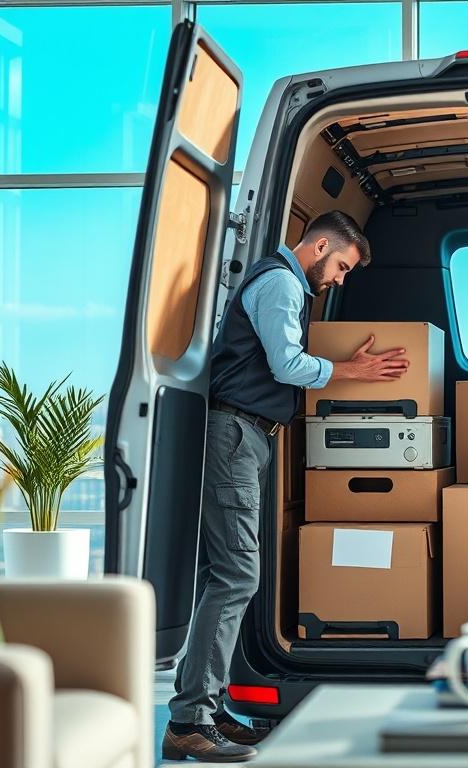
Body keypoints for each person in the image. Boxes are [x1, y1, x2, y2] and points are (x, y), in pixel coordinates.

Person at [163, 210, 409, 762]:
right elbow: (287, 364)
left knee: (222, 576)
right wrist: (352, 372)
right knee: (236, 576)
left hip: (248, 434)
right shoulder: (279, 282)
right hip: (235, 435)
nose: (340, 278)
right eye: (341, 266)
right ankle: (190, 721)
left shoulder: (284, 282)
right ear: (320, 245)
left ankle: (209, 708)